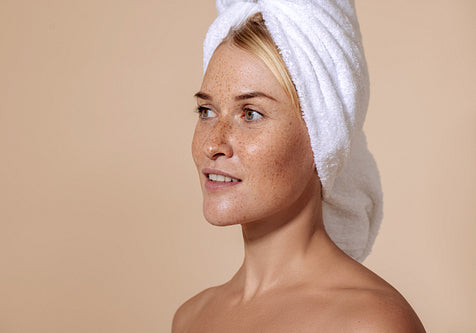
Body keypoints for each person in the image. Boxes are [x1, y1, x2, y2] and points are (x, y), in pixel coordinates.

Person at [173, 1, 425, 331]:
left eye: (251, 114)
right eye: (207, 111)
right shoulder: (191, 318)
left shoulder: (371, 323)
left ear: (323, 135)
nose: (212, 144)